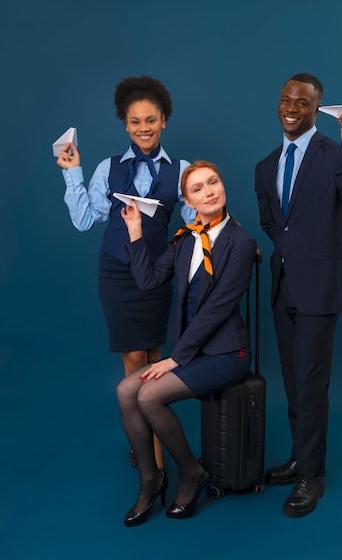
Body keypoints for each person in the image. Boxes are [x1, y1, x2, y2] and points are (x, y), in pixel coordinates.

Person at [254, 72, 342, 518]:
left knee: (310, 383)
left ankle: (313, 476)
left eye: (302, 103)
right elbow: (272, 224)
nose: (292, 108)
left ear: (316, 108)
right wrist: (291, 253)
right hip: (282, 285)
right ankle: (298, 458)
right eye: (286, 99)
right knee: (292, 381)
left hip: (320, 288)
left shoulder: (336, 152)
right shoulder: (265, 166)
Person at [56, 75, 195, 469]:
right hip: (117, 273)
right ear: (125, 124)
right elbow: (86, 220)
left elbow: (195, 220)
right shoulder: (108, 167)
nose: (144, 128)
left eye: (151, 119)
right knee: (135, 360)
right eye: (135, 121)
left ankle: (146, 435)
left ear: (164, 120)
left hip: (156, 273)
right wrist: (72, 172)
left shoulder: (181, 169)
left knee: (154, 356)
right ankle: (154, 461)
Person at [116, 160, 257, 526]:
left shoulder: (241, 243)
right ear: (188, 201)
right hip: (190, 354)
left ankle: (191, 472)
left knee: (148, 395)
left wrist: (175, 359)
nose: (210, 191)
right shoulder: (184, 239)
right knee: (126, 390)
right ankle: (151, 480)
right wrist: (135, 231)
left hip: (227, 353)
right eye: (198, 188)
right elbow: (147, 282)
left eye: (214, 182)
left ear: (223, 187)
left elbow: (216, 310)